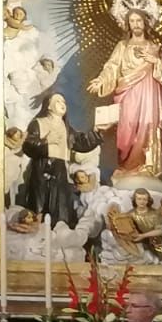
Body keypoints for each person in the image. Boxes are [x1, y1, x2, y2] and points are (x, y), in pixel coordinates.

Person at [87, 3, 162, 183]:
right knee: (126, 131)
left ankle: (148, 166)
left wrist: (156, 62)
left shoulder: (154, 47)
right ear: (127, 24)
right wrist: (100, 80)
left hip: (150, 95)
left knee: (148, 125)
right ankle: (126, 167)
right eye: (132, 21)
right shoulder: (122, 46)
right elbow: (112, 67)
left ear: (145, 23)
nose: (136, 24)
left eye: (139, 20)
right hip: (127, 94)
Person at [20, 93, 100, 229]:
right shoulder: (38, 123)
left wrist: (97, 133)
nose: (63, 104)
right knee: (41, 203)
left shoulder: (66, 127)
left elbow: (81, 143)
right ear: (49, 106)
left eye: (64, 101)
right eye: (58, 101)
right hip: (42, 166)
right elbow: (28, 145)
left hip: (60, 168)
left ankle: (59, 230)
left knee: (60, 203)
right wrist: (46, 143)